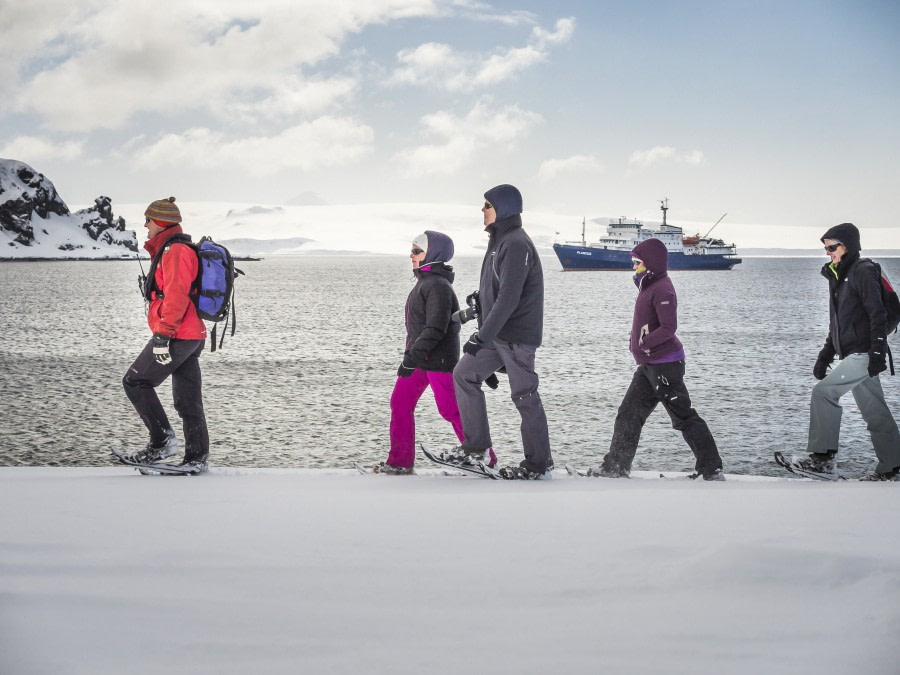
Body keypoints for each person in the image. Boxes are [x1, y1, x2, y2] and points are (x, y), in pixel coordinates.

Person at [592, 238, 725, 480]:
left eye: (637, 262)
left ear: (650, 263)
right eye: (633, 261)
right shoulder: (648, 285)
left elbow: (668, 327)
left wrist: (644, 343)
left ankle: (711, 469)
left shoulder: (662, 288)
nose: (633, 266)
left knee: (683, 417)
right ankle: (616, 467)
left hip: (665, 365)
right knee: (628, 414)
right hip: (649, 365)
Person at [445, 184, 553, 480]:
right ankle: (476, 447)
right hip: (496, 333)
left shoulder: (516, 243)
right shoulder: (499, 241)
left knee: (524, 395)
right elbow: (495, 291)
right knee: (464, 374)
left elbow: (509, 297)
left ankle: (539, 465)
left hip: (516, 336)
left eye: (487, 205)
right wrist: (478, 307)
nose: (482, 210)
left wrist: (481, 338)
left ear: (503, 208)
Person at [787, 222, 900, 480]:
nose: (828, 252)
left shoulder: (862, 271)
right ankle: (892, 468)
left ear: (847, 246)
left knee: (823, 394)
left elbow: (878, 313)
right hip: (852, 353)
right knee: (876, 413)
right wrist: (825, 354)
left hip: (864, 353)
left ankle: (822, 460)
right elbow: (837, 322)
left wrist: (877, 354)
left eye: (832, 247)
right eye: (826, 248)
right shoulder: (837, 274)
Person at [122, 197, 210, 472]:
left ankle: (162, 442)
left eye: (148, 220)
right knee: (187, 401)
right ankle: (196, 459)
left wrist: (163, 336)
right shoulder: (172, 249)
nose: (145, 225)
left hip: (178, 335)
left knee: (135, 382)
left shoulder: (175, 251)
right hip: (190, 334)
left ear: (160, 222)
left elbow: (176, 296)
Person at [379, 231, 475, 474]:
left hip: (438, 360)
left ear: (432, 254)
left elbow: (435, 328)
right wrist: (412, 357)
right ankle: (399, 462)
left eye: (416, 251)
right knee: (400, 403)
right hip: (419, 359)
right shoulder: (425, 282)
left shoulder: (438, 286)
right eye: (412, 250)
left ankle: (483, 456)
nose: (410, 255)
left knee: (450, 410)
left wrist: (411, 358)